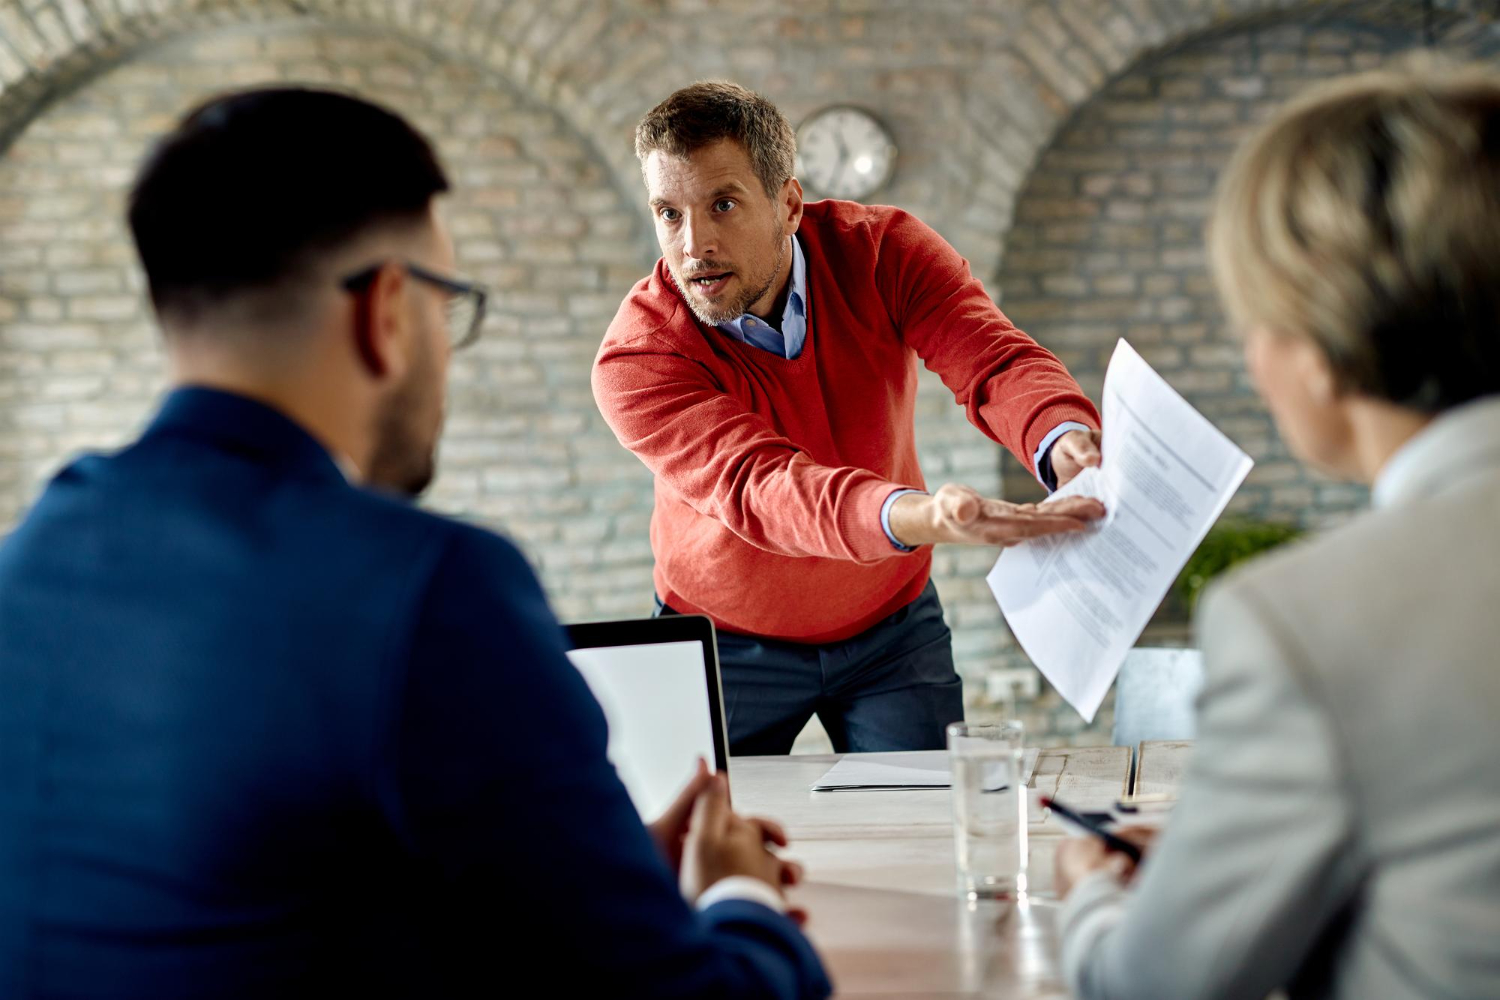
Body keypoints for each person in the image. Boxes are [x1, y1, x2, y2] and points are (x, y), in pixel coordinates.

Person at [0, 87, 829, 999]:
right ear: (387, 311)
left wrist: (596, 863)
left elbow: (242, 889)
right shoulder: (430, 586)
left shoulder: (36, 555)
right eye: (447, 301)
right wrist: (737, 894)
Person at [1054, 62, 1500, 999]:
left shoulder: (1307, 620)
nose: (1253, 359)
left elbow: (1153, 988)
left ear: (1328, 348)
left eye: (1256, 319)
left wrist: (1092, 897)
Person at [592, 81, 1106, 756]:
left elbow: (992, 358)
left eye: (723, 204)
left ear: (789, 205)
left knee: (923, 829)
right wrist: (926, 518)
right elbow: (764, 487)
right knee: (700, 845)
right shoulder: (639, 355)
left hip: (891, 629)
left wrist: (1062, 435)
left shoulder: (884, 251)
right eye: (669, 213)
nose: (694, 246)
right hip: (724, 639)